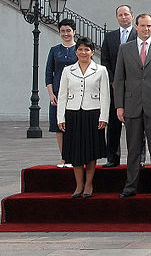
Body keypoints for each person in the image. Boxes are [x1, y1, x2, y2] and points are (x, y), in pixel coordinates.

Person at [115, 13, 151, 198]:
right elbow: (119, 79)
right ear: (136, 26)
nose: (146, 29)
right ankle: (131, 186)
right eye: (142, 26)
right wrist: (119, 106)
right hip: (131, 105)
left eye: (149, 26)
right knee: (133, 150)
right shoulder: (125, 49)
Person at [56, 37, 109, 198]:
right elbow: (62, 95)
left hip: (93, 114)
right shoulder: (68, 71)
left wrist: (104, 117)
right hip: (73, 114)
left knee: (90, 151)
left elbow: (105, 96)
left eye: (87, 49)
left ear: (92, 52)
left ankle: (88, 184)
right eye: (80, 49)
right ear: (76, 51)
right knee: (76, 152)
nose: (83, 52)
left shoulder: (100, 70)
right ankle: (78, 185)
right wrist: (61, 118)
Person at [100, 4, 137, 168]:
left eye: (126, 14)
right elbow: (105, 61)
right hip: (115, 88)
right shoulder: (110, 37)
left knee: (136, 127)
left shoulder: (139, 36)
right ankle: (112, 158)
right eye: (120, 15)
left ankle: (138, 159)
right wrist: (113, 80)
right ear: (117, 18)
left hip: (135, 89)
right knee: (114, 125)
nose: (123, 17)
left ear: (132, 16)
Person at [45, 18, 77, 167]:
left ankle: (74, 155)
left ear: (74, 32)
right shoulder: (54, 50)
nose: (66, 34)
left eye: (68, 31)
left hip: (74, 92)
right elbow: (48, 73)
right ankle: (64, 156)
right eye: (63, 31)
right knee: (59, 125)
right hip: (57, 93)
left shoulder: (79, 50)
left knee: (73, 125)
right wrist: (51, 94)